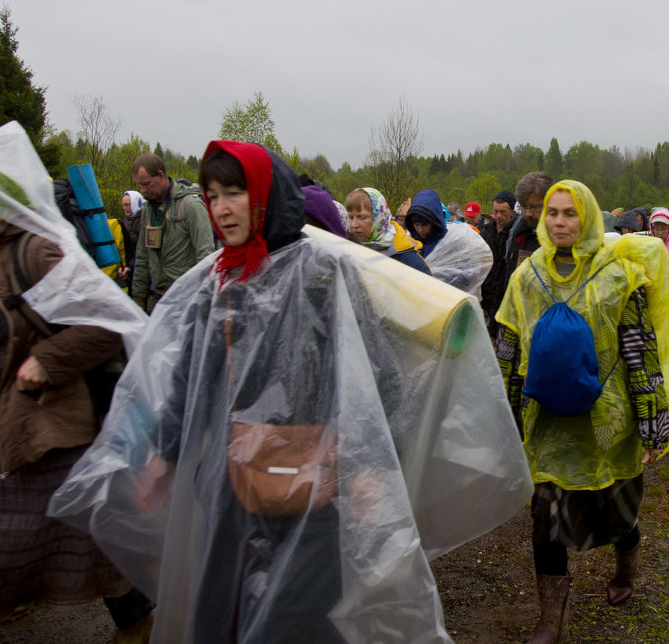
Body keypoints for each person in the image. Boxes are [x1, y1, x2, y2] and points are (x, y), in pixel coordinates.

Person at [50, 141, 531, 643]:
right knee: (225, 611)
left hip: (318, 486)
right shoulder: (214, 281)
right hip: (229, 481)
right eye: (213, 195)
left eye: (235, 192)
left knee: (300, 617)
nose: (222, 207)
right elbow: (188, 379)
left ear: (264, 195)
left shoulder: (325, 272)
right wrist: (164, 457)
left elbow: (380, 378)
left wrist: (370, 470)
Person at [0, 123, 151, 643]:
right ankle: (137, 614)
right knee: (84, 538)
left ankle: (138, 618)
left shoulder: (34, 254)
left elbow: (109, 324)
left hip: (46, 432)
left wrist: (48, 360)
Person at [496, 180, 669, 643]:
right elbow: (508, 347)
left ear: (590, 218)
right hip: (547, 425)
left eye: (569, 213)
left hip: (607, 425)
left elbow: (640, 351)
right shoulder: (526, 276)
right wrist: (502, 417)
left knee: (617, 516)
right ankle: (550, 619)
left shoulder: (618, 275)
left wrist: (652, 424)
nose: (559, 222)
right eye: (552, 213)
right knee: (545, 520)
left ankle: (625, 568)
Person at [130, 154, 217, 311]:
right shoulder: (148, 209)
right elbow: (142, 256)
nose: (142, 190)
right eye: (139, 185)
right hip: (159, 299)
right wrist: (138, 299)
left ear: (161, 175)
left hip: (187, 301)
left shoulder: (190, 205)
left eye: (146, 184)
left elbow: (206, 256)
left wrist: (204, 302)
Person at [406, 189, 492, 295]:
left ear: (434, 221)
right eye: (416, 224)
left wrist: (444, 278)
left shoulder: (454, 239)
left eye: (424, 225)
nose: (420, 230)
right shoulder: (409, 241)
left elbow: (474, 267)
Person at [344, 187, 431, 275]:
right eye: (350, 217)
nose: (354, 224)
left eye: (362, 217)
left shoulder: (407, 259)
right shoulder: (348, 251)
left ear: (379, 217)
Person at [480, 190, 518, 337]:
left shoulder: (515, 235)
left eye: (503, 212)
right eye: (496, 211)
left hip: (504, 294)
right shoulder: (485, 232)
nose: (499, 216)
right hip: (486, 292)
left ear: (512, 212)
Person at [118, 190, 144, 287]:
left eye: (127, 205)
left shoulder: (144, 220)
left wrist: (130, 266)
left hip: (141, 269)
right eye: (123, 205)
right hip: (129, 268)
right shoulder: (125, 221)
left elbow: (141, 249)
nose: (124, 208)